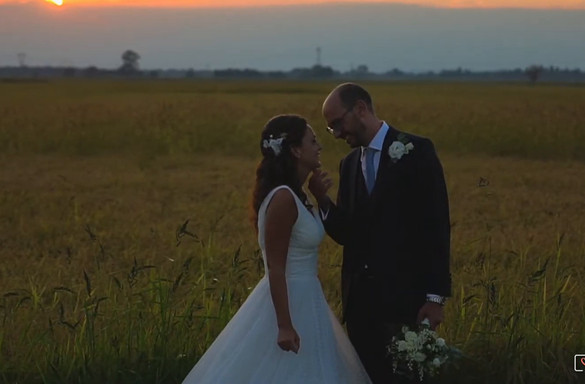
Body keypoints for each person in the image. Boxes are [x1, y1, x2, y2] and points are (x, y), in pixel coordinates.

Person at [182, 114, 371, 384]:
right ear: (295, 150)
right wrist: (284, 324)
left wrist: (320, 196)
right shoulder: (283, 198)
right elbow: (275, 265)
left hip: (308, 297)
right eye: (313, 141)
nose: (320, 147)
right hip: (289, 300)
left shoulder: (299, 195)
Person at [308, 83, 452, 383]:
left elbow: (436, 226)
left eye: (338, 123)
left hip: (407, 303)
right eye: (329, 127)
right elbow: (348, 233)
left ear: (360, 108)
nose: (335, 134)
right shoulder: (348, 165)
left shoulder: (417, 151)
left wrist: (435, 298)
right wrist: (323, 201)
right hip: (361, 307)